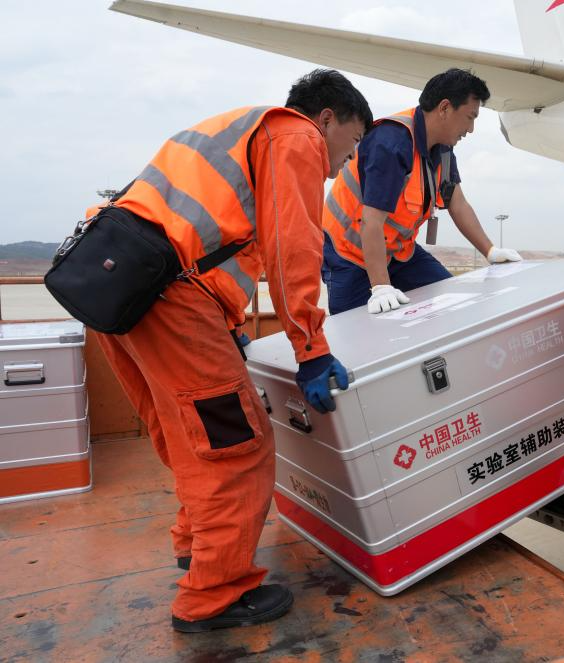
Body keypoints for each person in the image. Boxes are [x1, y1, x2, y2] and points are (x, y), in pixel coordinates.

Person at [93, 69, 372, 632]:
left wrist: (226, 327)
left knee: (188, 436)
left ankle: (196, 546)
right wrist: (311, 349)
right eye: (355, 140)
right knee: (236, 444)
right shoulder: (295, 136)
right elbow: (292, 246)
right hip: (172, 298)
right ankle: (214, 595)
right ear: (326, 119)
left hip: (118, 285)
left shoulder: (239, 130)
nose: (351, 158)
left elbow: (199, 236)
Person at [322, 68, 522, 315]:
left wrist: (490, 251)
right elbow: (371, 222)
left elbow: (458, 204)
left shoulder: (443, 150)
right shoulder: (392, 143)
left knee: (449, 304)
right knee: (358, 327)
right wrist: (381, 287)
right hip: (349, 254)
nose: (470, 129)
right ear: (445, 108)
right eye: (470, 117)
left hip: (397, 253)